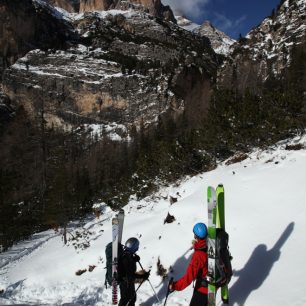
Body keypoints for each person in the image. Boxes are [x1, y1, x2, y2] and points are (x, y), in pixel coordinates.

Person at [169, 223, 208, 306]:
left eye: (194, 235)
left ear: (196, 237)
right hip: (213, 285)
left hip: (202, 289)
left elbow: (188, 278)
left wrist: (175, 286)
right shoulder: (210, 245)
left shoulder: (198, 255)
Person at [119, 237, 150, 306]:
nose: (137, 249)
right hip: (126, 283)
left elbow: (128, 268)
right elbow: (130, 274)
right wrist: (142, 276)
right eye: (137, 247)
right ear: (134, 247)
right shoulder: (127, 258)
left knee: (132, 298)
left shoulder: (127, 254)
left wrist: (134, 259)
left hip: (128, 282)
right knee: (125, 300)